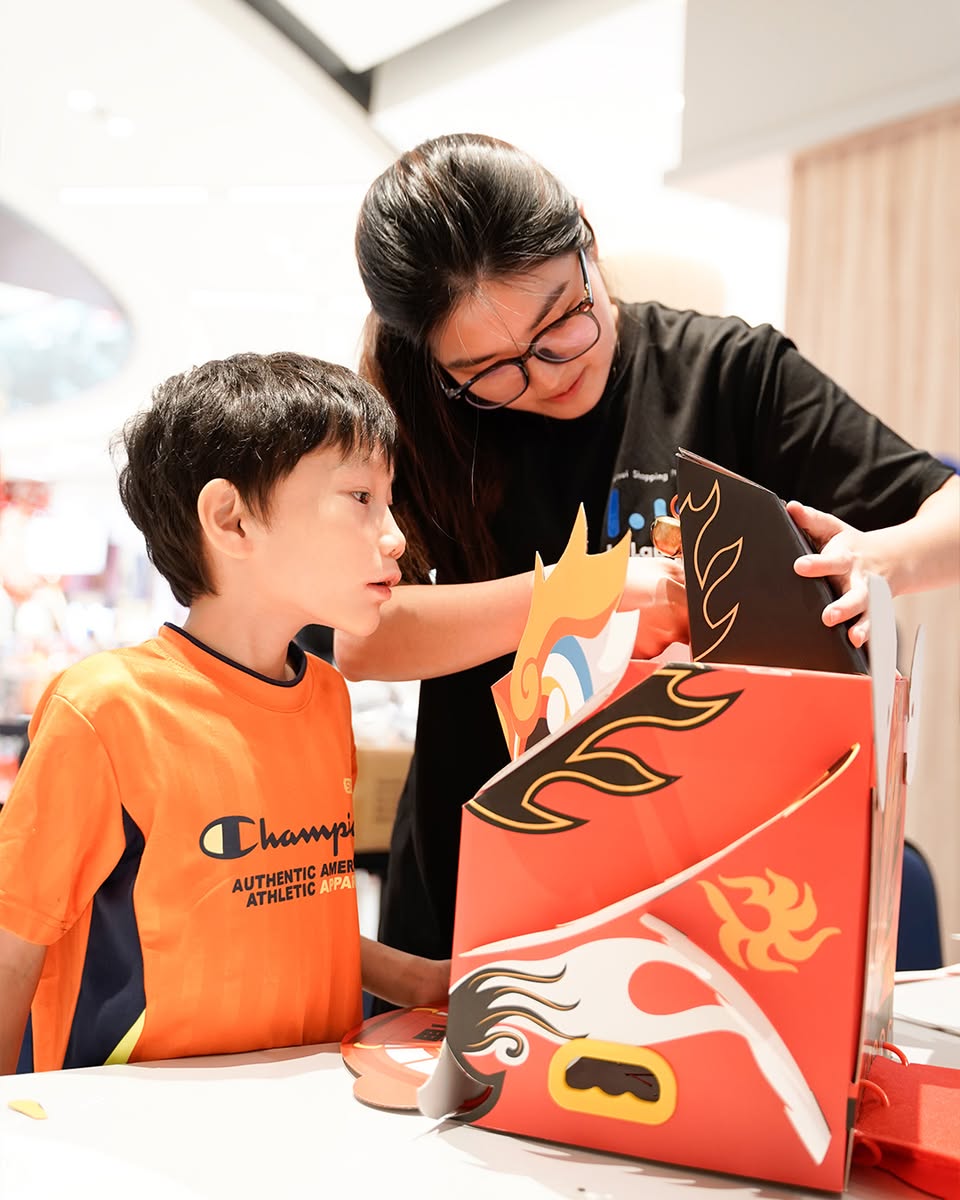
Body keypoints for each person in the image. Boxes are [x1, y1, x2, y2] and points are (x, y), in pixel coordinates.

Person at [336, 132, 960, 971]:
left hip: (700, 884)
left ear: (587, 244)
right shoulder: (423, 414)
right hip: (477, 895)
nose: (547, 372)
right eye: (490, 368)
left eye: (560, 318)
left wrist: (883, 559)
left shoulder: (730, 374)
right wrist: (592, 591)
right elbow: (368, 636)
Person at [0, 351, 449, 1075]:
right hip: (140, 1138)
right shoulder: (108, 711)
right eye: (361, 498)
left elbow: (282, 910)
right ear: (231, 518)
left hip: (309, 1106)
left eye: (388, 499)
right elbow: (14, 938)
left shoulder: (327, 698)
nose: (395, 535)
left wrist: (421, 981)